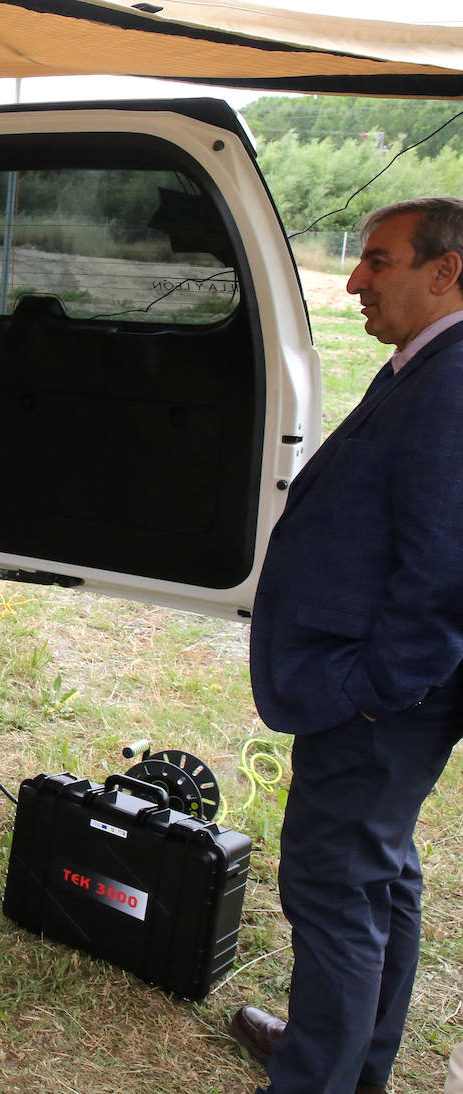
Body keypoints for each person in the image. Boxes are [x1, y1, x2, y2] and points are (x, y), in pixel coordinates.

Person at [230, 196, 463, 1093]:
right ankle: (352, 1063)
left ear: (445, 272)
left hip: (385, 700)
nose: (358, 280)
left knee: (336, 889)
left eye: (380, 262)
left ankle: (315, 1076)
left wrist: (373, 687)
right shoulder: (424, 363)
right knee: (380, 874)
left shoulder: (451, 384)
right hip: (390, 694)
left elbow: (443, 568)